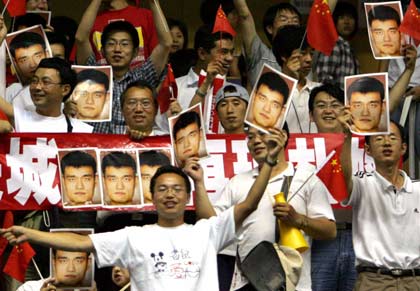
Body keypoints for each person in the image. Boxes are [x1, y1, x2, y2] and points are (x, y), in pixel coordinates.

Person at [1, 129, 286, 291]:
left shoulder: (208, 231)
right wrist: (30, 234)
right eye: (162, 189)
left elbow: (248, 204)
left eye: (177, 189)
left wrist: (269, 164)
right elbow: (80, 242)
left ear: (187, 196)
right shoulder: (135, 235)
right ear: (151, 197)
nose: (170, 194)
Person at [196, 124, 336, 291]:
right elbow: (211, 225)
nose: (255, 141)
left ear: (282, 136)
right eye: (250, 137)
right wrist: (198, 182)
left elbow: (330, 231)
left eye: (262, 134)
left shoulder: (306, 178)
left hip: (292, 284)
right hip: (246, 283)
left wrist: (298, 220)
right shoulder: (238, 182)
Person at [339, 116, 420, 291]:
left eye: (392, 137)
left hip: (415, 280)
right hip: (374, 281)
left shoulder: (418, 189)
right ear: (367, 149)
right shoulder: (362, 184)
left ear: (403, 147)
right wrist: (348, 136)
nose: (386, 143)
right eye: (379, 138)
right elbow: (345, 174)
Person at [75, 0, 172, 134]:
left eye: (125, 44)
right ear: (102, 51)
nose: (117, 49)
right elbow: (81, 38)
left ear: (135, 52)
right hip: (96, 148)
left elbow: (166, 43)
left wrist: (153, 2)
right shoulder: (92, 73)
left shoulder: (143, 76)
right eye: (111, 44)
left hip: (131, 147)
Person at [308, 83, 357, 291]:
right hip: (319, 239)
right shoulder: (298, 150)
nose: (328, 110)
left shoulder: (364, 145)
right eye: (321, 105)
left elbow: (386, 106)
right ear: (311, 115)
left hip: (358, 237)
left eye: (334, 105)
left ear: (345, 111)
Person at [0, 57, 93, 133]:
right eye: (34, 81)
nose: (37, 87)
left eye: (46, 82)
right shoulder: (18, 119)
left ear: (65, 89)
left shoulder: (82, 131)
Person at [232, 0, 302, 86]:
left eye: (295, 20)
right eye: (284, 20)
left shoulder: (306, 59)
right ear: (270, 28)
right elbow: (244, 16)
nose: (290, 23)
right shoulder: (260, 53)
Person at [74, 0, 158, 69]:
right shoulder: (90, 22)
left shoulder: (146, 16)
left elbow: (159, 62)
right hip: (104, 85)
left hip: (140, 84)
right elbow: (80, 41)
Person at [273, 25, 321, 133]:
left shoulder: (320, 90)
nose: (309, 59)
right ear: (284, 56)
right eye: (303, 53)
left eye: (311, 53)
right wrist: (289, 81)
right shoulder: (269, 91)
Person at [178, 24, 234, 110]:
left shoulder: (234, 92)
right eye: (223, 52)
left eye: (231, 52)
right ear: (202, 53)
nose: (230, 58)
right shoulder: (176, 89)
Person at [315, 2, 360, 89]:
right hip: (334, 100)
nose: (347, 22)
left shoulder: (348, 48)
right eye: (341, 17)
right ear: (334, 21)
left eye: (350, 17)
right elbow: (324, 80)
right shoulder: (333, 45)